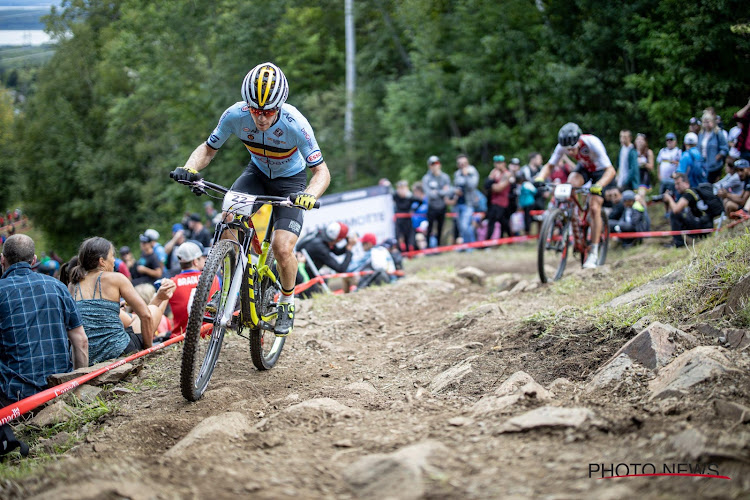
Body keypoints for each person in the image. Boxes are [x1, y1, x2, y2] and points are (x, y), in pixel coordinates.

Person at [171, 62, 330, 337]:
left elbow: (321, 172)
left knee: (282, 248)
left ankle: (287, 303)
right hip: (256, 173)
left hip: (290, 182)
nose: (261, 118)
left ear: (279, 106)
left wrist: (308, 196)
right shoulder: (234, 115)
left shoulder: (296, 124)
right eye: (255, 110)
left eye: (268, 112)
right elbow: (208, 149)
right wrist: (190, 168)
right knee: (229, 215)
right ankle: (228, 286)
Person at [0, 234, 88, 403]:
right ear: (34, 260)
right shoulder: (58, 287)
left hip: (13, 396)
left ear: (2, 259)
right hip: (59, 389)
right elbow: (81, 341)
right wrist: (77, 385)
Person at [68, 237, 176, 365]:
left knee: (132, 319)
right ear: (102, 261)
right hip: (118, 351)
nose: (114, 261)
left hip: (86, 357)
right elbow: (146, 315)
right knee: (153, 310)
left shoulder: (73, 285)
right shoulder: (116, 278)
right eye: (112, 256)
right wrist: (148, 349)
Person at [534, 122, 617, 269]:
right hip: (584, 168)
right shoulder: (562, 145)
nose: (571, 153)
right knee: (570, 183)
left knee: (594, 207)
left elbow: (611, 170)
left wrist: (599, 186)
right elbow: (550, 165)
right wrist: (540, 178)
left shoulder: (592, 143)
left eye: (573, 149)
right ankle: (570, 215)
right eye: (568, 151)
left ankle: (594, 252)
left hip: (601, 172)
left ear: (579, 141)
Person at [168, 240, 218, 339]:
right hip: (209, 335)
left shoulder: (171, 283)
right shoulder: (213, 278)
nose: (205, 260)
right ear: (195, 261)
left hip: (181, 338)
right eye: (202, 258)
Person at [662, 173, 715, 248]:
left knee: (675, 214)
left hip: (703, 225)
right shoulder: (693, 191)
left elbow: (676, 210)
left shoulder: (688, 194)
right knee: (681, 213)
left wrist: (669, 199)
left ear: (686, 183)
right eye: (675, 184)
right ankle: (678, 240)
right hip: (706, 223)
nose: (676, 187)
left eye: (678, 184)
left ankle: (678, 242)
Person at [421, 155, 452, 247]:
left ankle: (439, 246)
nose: (435, 166)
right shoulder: (426, 178)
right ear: (429, 166)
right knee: (430, 228)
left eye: (436, 163)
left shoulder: (445, 177)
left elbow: (449, 191)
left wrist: (437, 192)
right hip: (432, 206)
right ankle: (428, 247)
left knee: (440, 227)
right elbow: (429, 194)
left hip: (442, 206)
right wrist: (441, 191)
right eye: (432, 164)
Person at [484, 155, 514, 240]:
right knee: (500, 221)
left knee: (497, 221)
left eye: (500, 163)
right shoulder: (494, 172)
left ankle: (488, 241)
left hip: (502, 202)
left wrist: (491, 186)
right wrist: (491, 186)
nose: (498, 165)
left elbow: (499, 188)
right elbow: (487, 184)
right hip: (493, 201)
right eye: (496, 163)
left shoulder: (507, 174)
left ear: (504, 163)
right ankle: (510, 238)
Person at [453, 154, 480, 245]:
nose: (462, 165)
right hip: (458, 204)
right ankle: (465, 244)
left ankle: (471, 245)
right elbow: (455, 187)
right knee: (461, 227)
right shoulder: (457, 174)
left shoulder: (472, 171)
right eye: (460, 163)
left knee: (465, 225)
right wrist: (455, 192)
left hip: (469, 203)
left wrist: (466, 175)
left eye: (464, 163)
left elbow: (473, 186)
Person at [699, 111, 729, 183]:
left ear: (712, 122)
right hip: (703, 164)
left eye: (708, 122)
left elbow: (725, 148)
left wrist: (718, 156)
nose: (706, 124)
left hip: (715, 166)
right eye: (705, 122)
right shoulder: (701, 134)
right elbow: (698, 148)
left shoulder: (718, 133)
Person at [392, 180, 420, 252]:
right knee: (398, 236)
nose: (401, 190)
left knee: (408, 237)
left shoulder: (410, 197)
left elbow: (420, 201)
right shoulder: (395, 196)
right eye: (400, 188)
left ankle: (409, 252)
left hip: (407, 219)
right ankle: (400, 252)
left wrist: (413, 209)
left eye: (403, 188)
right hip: (398, 220)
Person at [732, 97, 750, 162]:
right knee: (744, 171)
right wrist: (748, 106)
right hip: (745, 151)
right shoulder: (748, 115)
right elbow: (736, 117)